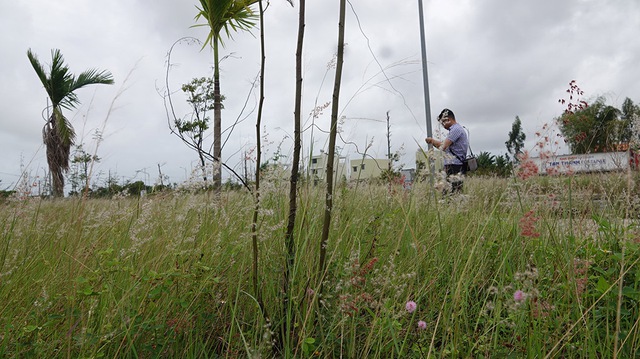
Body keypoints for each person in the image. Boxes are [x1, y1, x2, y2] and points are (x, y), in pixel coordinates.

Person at [425, 108, 469, 193]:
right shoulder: (456, 129)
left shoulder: (456, 130)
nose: (443, 125)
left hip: (454, 166)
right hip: (454, 166)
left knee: (451, 195)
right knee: (451, 194)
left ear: (448, 119)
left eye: (443, 122)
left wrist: (431, 141)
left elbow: (443, 146)